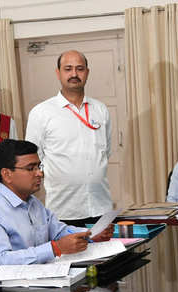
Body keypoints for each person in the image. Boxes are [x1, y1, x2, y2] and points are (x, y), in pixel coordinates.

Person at [0, 139, 113, 292]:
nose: (40, 173)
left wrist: (90, 235)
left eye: (39, 166)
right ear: (7, 174)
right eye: (31, 168)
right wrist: (55, 248)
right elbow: (0, 262)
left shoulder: (32, 202)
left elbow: (59, 231)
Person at [26, 50, 112, 227]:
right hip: (64, 210)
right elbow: (33, 157)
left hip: (101, 207)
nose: (74, 74)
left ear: (87, 72)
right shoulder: (41, 112)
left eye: (80, 69)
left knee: (108, 254)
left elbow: (106, 152)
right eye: (68, 69)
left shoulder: (100, 109)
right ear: (58, 73)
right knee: (70, 255)